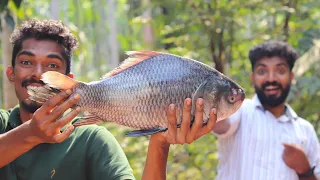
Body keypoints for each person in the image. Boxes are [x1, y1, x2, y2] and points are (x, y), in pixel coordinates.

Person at [0, 19, 217, 180]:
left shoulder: (91, 140)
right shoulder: (3, 124)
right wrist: (30, 134)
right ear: (10, 73)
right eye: (27, 62)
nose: (38, 74)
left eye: (53, 65)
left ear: (69, 79)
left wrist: (159, 143)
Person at [212, 40, 320, 180]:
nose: (271, 79)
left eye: (280, 71)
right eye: (262, 71)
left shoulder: (305, 131)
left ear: (291, 77)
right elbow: (221, 124)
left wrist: (304, 169)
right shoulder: (240, 110)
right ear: (253, 78)